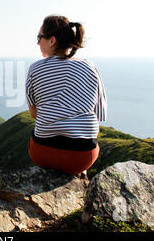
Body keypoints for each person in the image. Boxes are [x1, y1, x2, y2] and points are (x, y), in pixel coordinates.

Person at [25, 15, 107, 176]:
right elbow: (98, 114)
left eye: (39, 37)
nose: (37, 42)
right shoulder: (90, 67)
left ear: (52, 40)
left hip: (43, 153)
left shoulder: (35, 69)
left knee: (34, 138)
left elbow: (34, 114)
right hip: (82, 157)